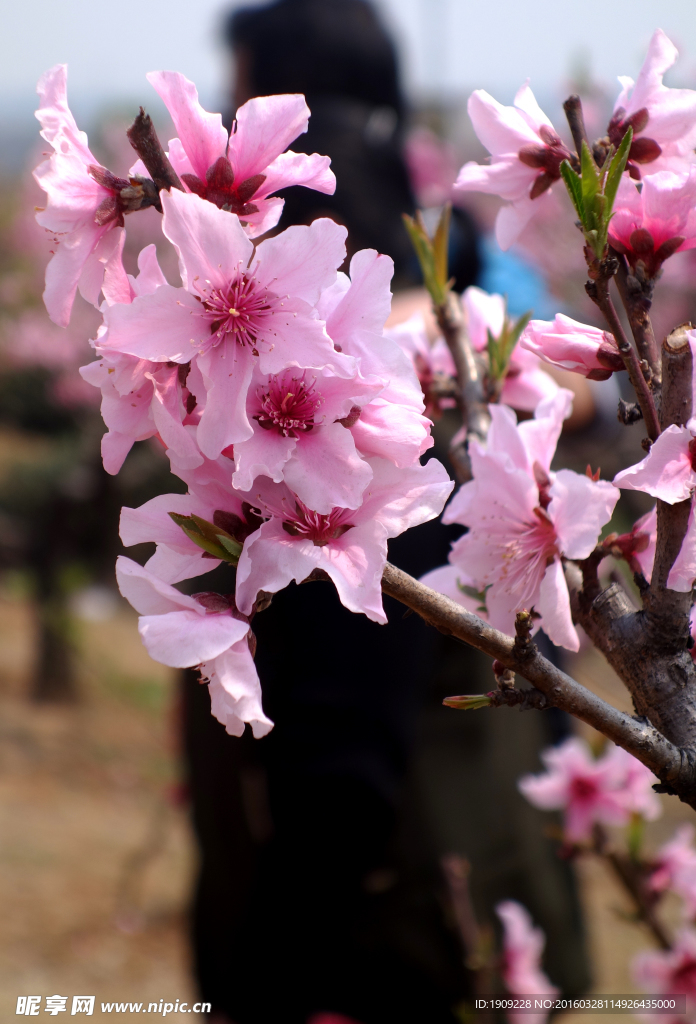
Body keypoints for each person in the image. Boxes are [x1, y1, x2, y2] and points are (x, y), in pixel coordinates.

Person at [180, 3, 590, 1021]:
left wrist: (278, 972)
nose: (231, 138)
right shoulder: (456, 279)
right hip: (473, 881)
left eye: (244, 102)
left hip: (370, 936)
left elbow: (340, 762)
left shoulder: (344, 343)